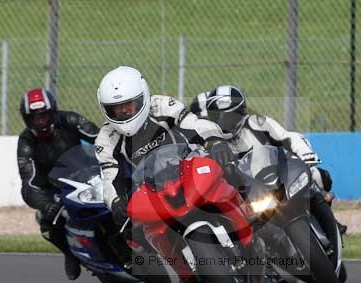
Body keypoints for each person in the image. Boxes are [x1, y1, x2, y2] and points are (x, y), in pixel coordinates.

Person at [190, 84, 347, 234]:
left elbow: (288, 137)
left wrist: (306, 156)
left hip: (279, 176)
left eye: (227, 117)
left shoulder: (257, 123)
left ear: (240, 112)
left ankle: (333, 224)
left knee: (316, 175)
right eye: (215, 118)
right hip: (248, 193)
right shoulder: (209, 144)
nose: (222, 123)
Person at [93, 66, 234, 230]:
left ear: (142, 98)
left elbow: (194, 124)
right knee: (133, 235)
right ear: (107, 110)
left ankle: (259, 218)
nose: (124, 110)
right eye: (117, 108)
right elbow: (109, 177)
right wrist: (115, 202)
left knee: (231, 172)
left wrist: (214, 139)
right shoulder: (105, 139)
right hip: (152, 192)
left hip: (190, 170)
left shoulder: (161, 106)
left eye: (129, 104)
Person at [17, 87, 100, 280]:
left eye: (44, 116)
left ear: (53, 112)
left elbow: (98, 136)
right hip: (55, 187)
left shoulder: (69, 119)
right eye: (35, 118)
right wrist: (46, 205)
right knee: (47, 223)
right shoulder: (26, 141)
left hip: (86, 173)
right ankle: (70, 254)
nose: (41, 122)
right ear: (27, 120)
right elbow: (27, 183)